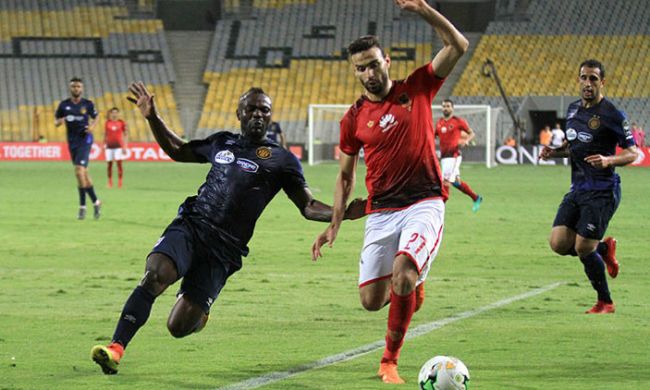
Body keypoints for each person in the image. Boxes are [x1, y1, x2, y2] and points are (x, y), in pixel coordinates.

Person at [90, 83, 365, 375]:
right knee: (155, 275)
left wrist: (343, 213)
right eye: (252, 109)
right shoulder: (221, 142)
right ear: (239, 113)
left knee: (178, 327)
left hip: (225, 251)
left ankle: (199, 313)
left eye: (265, 110)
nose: (258, 114)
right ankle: (116, 348)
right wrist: (153, 118)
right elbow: (178, 150)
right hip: (192, 226)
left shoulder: (282, 160)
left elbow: (308, 207)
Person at [311, 0, 468, 384]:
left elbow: (459, 45)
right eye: (360, 67)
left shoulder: (417, 87)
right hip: (381, 211)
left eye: (373, 63)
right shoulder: (352, 119)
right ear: (355, 72)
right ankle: (414, 282)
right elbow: (345, 177)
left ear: (387, 63)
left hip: (425, 202)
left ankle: (389, 361)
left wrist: (424, 9)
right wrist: (334, 224)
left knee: (402, 274)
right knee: (370, 301)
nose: (368, 72)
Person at [539, 59, 638, 314]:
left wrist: (608, 160)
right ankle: (604, 248)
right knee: (559, 243)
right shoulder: (573, 111)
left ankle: (605, 302)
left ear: (602, 82)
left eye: (593, 79)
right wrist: (555, 153)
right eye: (584, 77)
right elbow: (574, 148)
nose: (587, 83)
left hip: (603, 190)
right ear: (578, 80)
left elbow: (632, 153)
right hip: (578, 188)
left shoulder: (613, 115)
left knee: (583, 247)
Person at [55, 77, 101, 220]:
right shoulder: (64, 105)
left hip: (85, 140)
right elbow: (56, 122)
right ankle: (96, 201)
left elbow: (96, 116)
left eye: (78, 86)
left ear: (82, 88)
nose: (76, 89)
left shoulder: (87, 104)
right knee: (84, 174)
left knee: (79, 171)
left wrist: (92, 127)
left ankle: (82, 206)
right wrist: (60, 121)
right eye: (74, 86)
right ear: (70, 88)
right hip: (72, 142)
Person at [435, 99, 483, 212]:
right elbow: (433, 136)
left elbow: (472, 133)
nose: (445, 108)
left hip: (454, 155)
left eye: (448, 106)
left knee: (446, 181)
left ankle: (440, 208)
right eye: (444, 106)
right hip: (444, 157)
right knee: (456, 182)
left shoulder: (458, 121)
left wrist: (466, 141)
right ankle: (476, 198)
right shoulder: (439, 123)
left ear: (452, 108)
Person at [104, 107, 128, 188]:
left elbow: (125, 134)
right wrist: (104, 144)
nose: (114, 114)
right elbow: (105, 134)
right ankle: (110, 182)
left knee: (119, 164)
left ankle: (120, 182)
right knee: (109, 165)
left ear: (118, 113)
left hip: (118, 147)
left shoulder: (121, 122)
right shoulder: (107, 122)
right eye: (113, 112)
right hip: (109, 147)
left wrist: (125, 146)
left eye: (116, 112)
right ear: (111, 114)